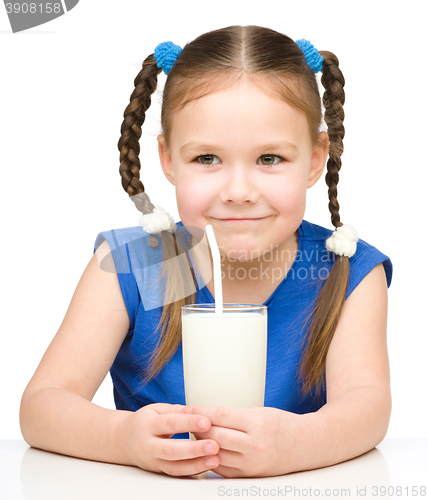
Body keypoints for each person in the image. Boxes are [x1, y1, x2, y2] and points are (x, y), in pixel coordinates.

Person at [19, 25, 393, 478]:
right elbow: (42, 407)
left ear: (316, 159)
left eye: (270, 158)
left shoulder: (343, 272)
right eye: (207, 159)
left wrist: (296, 444)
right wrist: (123, 439)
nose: (238, 191)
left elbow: (367, 407)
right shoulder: (141, 265)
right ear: (169, 160)